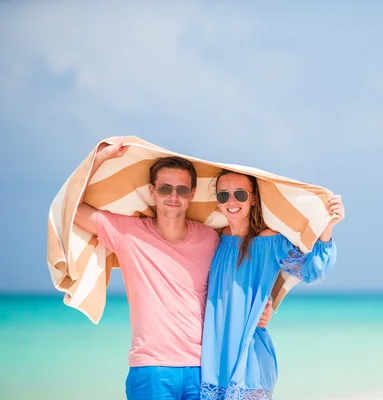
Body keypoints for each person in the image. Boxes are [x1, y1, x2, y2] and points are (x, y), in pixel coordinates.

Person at [74, 139, 272, 400]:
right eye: (165, 188)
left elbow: (238, 276)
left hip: (204, 370)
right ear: (152, 191)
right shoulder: (128, 234)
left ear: (191, 193)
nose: (173, 196)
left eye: (181, 189)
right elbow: (73, 209)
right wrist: (100, 158)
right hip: (151, 368)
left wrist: (263, 306)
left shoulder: (211, 239)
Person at [200, 169, 344, 399]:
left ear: (254, 198)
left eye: (240, 193)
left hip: (250, 355)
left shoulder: (268, 240)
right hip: (214, 358)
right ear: (217, 202)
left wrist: (328, 227)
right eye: (224, 195)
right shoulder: (215, 239)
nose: (232, 201)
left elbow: (311, 271)